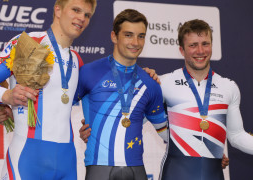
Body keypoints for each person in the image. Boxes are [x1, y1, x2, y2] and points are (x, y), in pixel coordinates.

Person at [0, 0, 97, 179]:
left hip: (67, 160)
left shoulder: (77, 60)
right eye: (76, 10)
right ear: (58, 10)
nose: (81, 18)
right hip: (27, 157)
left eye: (87, 15)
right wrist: (7, 95)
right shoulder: (29, 42)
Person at [74, 9, 168, 180]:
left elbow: (165, 131)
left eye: (141, 36)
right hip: (99, 167)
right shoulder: (89, 72)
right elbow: (60, 107)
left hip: (136, 169)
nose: (135, 42)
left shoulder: (150, 82)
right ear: (114, 36)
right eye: (128, 35)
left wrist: (203, 151)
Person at [158, 19, 253, 180]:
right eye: (193, 45)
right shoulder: (164, 83)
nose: (200, 51)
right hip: (174, 174)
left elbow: (237, 136)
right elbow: (140, 121)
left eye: (205, 43)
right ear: (181, 50)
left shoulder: (228, 87)